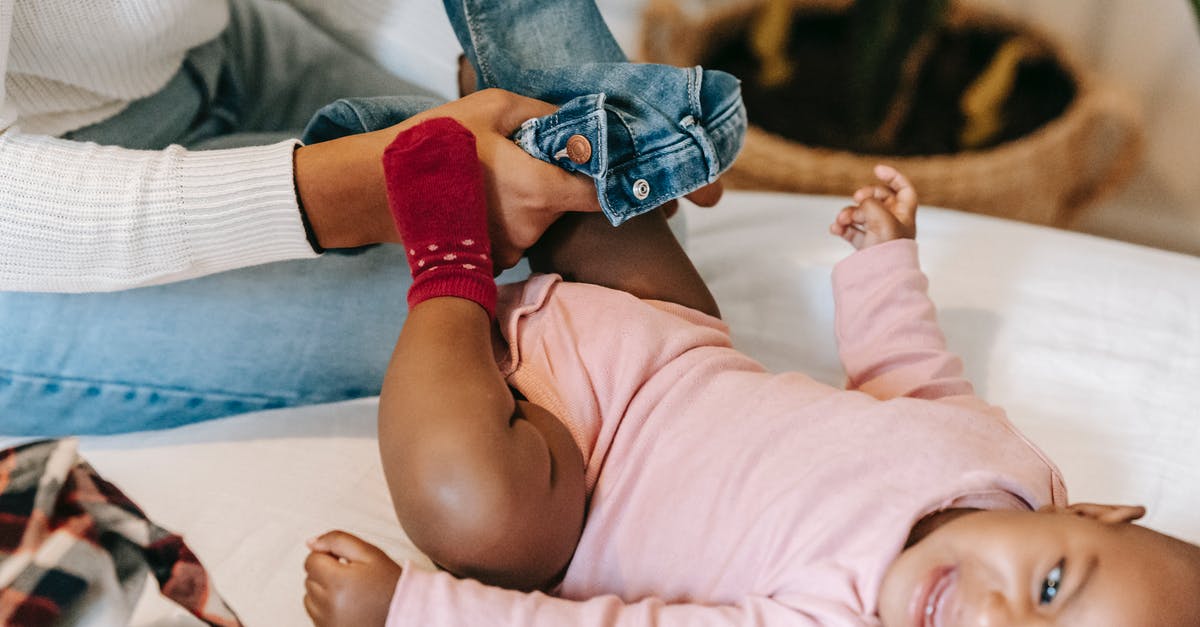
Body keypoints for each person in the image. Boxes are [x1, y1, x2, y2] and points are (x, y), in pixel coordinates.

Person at [301, 120, 1200, 626]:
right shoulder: (1011, 470)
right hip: (669, 342)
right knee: (610, 197)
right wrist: (885, 265)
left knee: (470, 507)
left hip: (555, 476)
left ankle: (448, 260)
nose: (996, 618)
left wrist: (408, 610)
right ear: (1088, 512)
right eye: (1050, 587)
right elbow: (913, 384)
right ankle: (538, 115)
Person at [0, 0, 610, 435]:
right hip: (35, 227)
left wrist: (489, 67)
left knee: (595, 219)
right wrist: (354, 194)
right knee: (552, 307)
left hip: (212, 46)